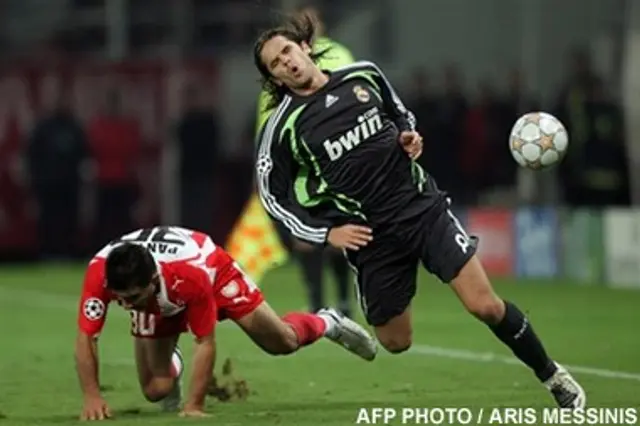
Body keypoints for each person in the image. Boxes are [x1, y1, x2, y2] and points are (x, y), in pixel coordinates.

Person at [252, 13, 586, 409]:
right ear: (275, 78)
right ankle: (332, 321)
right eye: (276, 63)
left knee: (486, 306)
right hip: (371, 235)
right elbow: (273, 197)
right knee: (395, 342)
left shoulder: (364, 76)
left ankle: (553, 377)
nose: (286, 61)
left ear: (305, 47)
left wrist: (409, 137)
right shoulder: (283, 127)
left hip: (421, 208)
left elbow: (400, 116)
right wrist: (326, 233)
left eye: (288, 50)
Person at [75, 226, 377, 420]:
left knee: (281, 342)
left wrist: (194, 405)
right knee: (156, 390)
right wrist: (92, 396)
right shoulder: (100, 274)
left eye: (132, 297)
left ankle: (328, 322)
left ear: (152, 280)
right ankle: (171, 361)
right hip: (161, 290)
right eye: (120, 298)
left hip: (215, 274)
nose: (125, 305)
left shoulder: (189, 277)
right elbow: (87, 337)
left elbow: (204, 341)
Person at [238, 5, 357, 316]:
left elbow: (352, 97)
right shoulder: (277, 64)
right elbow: (266, 119)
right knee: (303, 234)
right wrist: (261, 166)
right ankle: (318, 301)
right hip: (289, 157)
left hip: (331, 155)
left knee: (338, 230)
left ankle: (344, 299)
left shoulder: (338, 54)